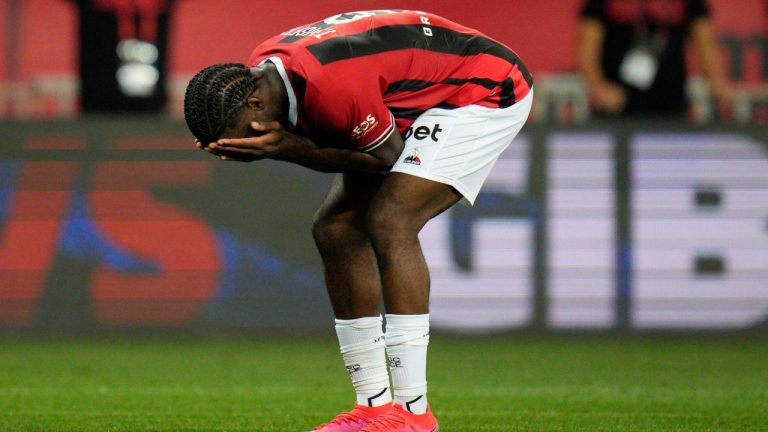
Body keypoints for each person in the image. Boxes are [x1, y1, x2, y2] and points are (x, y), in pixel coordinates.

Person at [183, 10, 532, 432]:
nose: (247, 139)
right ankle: (372, 406)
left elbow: (383, 158)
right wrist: (289, 145)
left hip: (483, 89)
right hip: (414, 94)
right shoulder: (269, 71)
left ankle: (413, 413)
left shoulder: (330, 85)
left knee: (390, 220)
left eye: (242, 131)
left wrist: (286, 149)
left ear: (255, 103)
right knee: (335, 229)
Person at [577, 0, 731, 118]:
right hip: (617, 107)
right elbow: (586, 47)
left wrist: (716, 82)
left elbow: (705, 43)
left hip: (670, 107)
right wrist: (598, 88)